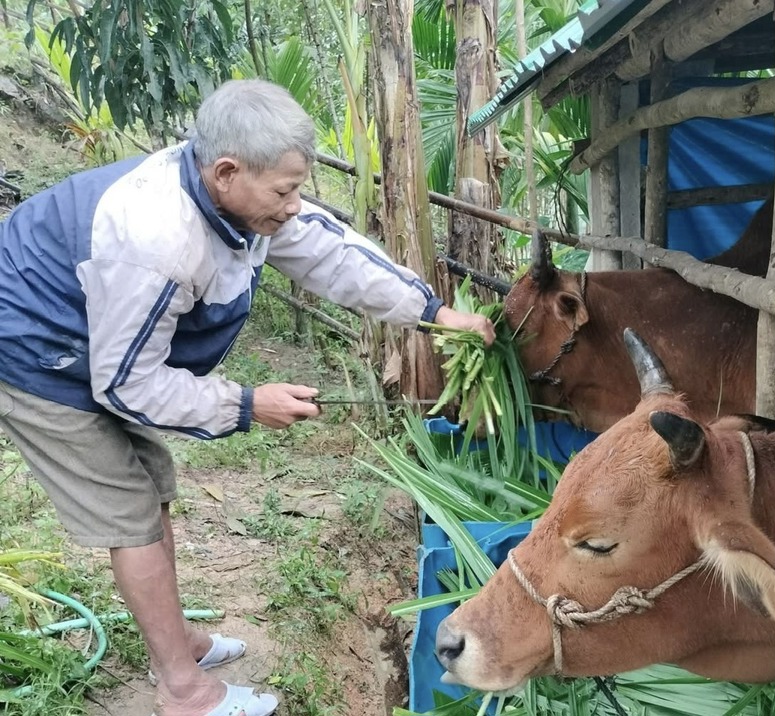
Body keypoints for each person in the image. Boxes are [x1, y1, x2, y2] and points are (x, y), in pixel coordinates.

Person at [0, 79, 494, 716]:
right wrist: (244, 403)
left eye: (298, 188)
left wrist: (433, 312)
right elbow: (128, 383)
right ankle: (183, 690)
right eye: (284, 191)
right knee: (129, 509)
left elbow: (332, 253)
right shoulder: (156, 239)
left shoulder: (242, 202)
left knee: (152, 485)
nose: (294, 205)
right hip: (37, 348)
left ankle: (175, 643)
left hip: (98, 340)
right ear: (226, 171)